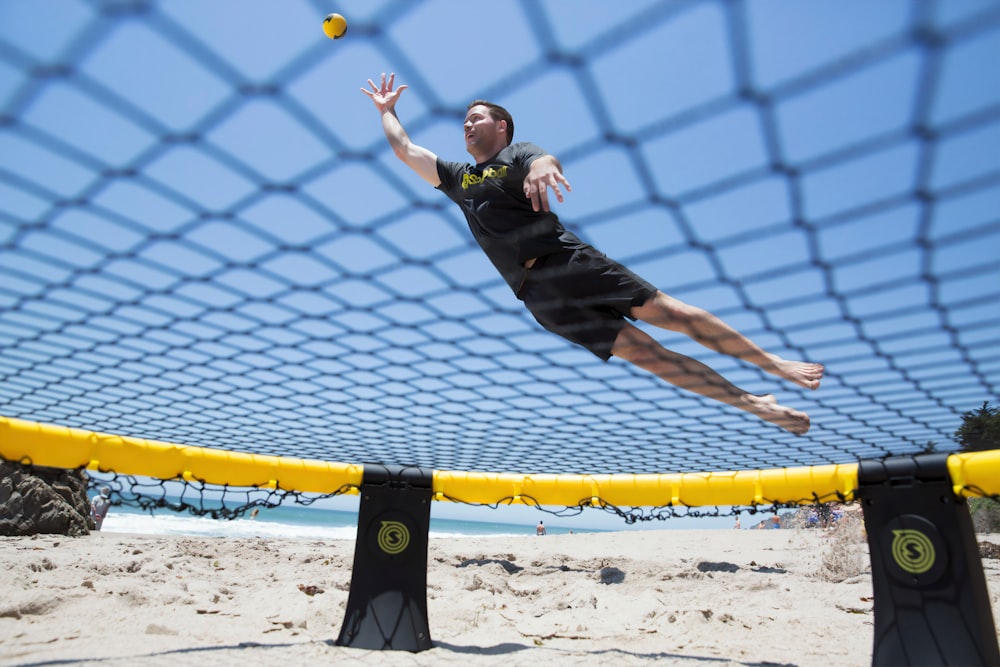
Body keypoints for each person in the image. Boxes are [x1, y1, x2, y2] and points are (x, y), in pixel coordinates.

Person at [362, 73, 824, 434]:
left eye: (477, 118)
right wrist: (387, 111)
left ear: (500, 127)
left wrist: (545, 167)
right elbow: (404, 149)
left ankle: (774, 364)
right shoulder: (460, 178)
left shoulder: (517, 152)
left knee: (675, 315)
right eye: (465, 121)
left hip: (570, 262)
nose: (467, 124)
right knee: (651, 356)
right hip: (538, 297)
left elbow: (542, 160)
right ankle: (755, 404)